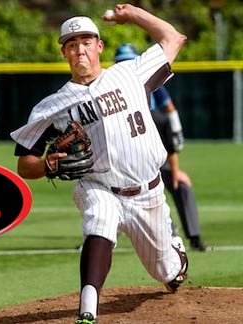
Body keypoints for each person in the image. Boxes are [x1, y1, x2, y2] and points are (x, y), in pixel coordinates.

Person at [10, 5, 188, 324]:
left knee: (166, 272)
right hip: (99, 186)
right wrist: (47, 166)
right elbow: (25, 164)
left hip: (148, 194)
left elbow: (174, 38)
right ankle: (87, 311)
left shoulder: (131, 73)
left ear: (99, 46)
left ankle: (175, 250)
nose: (80, 49)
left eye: (87, 41)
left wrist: (132, 14)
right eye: (72, 43)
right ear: (64, 51)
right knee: (99, 219)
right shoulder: (50, 107)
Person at [114, 43, 207, 252]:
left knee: (181, 184)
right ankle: (102, 234)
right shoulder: (111, 88)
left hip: (157, 157)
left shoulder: (154, 91)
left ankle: (194, 237)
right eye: (122, 62)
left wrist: (175, 172)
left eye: (129, 60)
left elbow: (170, 143)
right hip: (125, 167)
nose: (126, 65)